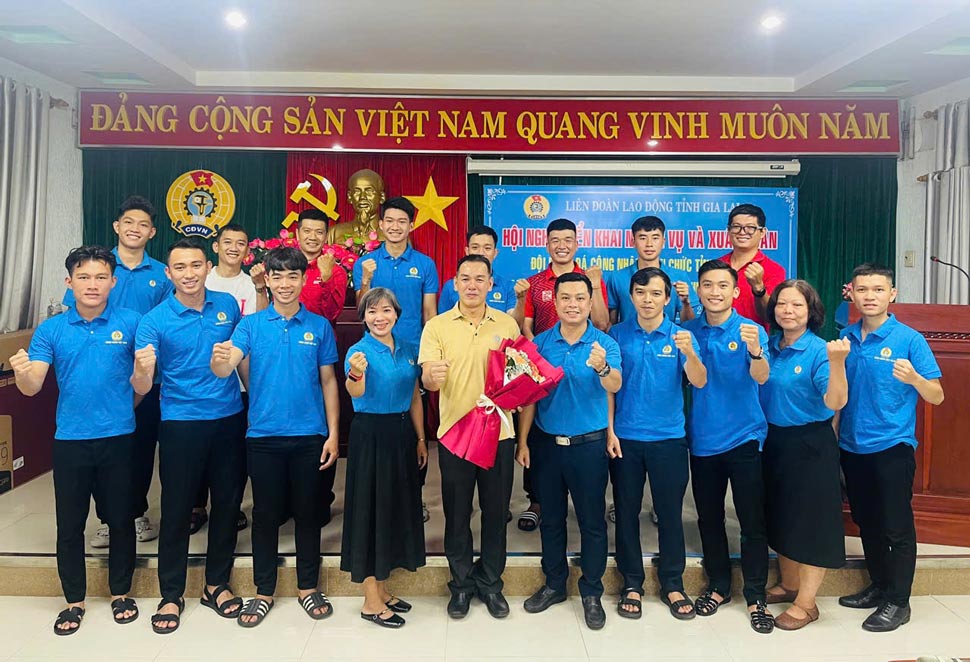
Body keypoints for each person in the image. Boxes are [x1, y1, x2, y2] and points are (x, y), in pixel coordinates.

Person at [10, 246, 140, 635]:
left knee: (121, 520)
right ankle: (73, 601)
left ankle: (121, 593)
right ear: (69, 282)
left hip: (119, 437)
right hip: (70, 440)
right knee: (70, 525)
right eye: (83, 277)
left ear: (113, 281)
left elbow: (143, 384)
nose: (92, 284)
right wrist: (21, 373)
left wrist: (126, 399)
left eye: (100, 277)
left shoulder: (131, 322)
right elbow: (32, 386)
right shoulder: (52, 330)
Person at [210, 247, 341, 628]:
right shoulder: (250, 326)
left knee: (308, 515)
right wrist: (219, 360)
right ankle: (263, 591)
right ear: (267, 279)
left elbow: (329, 381)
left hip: (310, 435)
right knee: (265, 516)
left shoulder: (319, 326)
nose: (285, 284)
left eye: (292, 276)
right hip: (263, 436)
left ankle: (307, 587)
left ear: (303, 280)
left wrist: (333, 434)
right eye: (277, 276)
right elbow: (226, 366)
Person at [133, 238, 246, 634]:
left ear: (207, 267)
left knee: (227, 506)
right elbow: (142, 384)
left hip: (229, 418)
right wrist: (141, 370)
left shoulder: (227, 306)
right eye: (179, 267)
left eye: (196, 265)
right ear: (168, 273)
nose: (189, 274)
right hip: (180, 423)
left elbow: (240, 359)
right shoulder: (154, 321)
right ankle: (171, 593)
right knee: (177, 509)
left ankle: (216, 585)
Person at [837, 263, 944, 633]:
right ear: (852, 293)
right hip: (852, 445)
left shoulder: (909, 339)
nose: (870, 296)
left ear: (892, 294)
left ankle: (899, 602)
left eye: (878, 289)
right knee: (866, 521)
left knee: (896, 526)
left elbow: (937, 395)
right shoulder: (845, 337)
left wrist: (914, 378)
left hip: (892, 446)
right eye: (863, 289)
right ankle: (879, 586)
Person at [64, 196, 170, 549]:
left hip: (147, 380)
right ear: (116, 226)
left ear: (152, 232)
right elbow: (72, 318)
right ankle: (108, 519)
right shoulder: (94, 266)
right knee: (99, 451)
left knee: (140, 450)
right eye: (128, 222)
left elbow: (165, 324)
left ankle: (136, 513)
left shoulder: (161, 274)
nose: (134, 229)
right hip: (100, 378)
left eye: (143, 224)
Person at [517, 272, 621, 630]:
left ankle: (591, 591)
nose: (573, 305)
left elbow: (615, 384)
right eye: (566, 298)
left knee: (592, 522)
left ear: (590, 302)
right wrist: (523, 441)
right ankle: (554, 584)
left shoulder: (604, 343)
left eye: (580, 298)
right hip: (547, 445)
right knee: (551, 519)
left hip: (589, 446)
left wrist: (602, 367)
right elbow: (530, 396)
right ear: (555, 302)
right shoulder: (541, 344)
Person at [419, 254, 519, 620]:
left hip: (499, 434)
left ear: (491, 283)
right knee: (457, 514)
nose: (472, 285)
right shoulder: (437, 326)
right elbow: (427, 380)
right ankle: (461, 585)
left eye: (480, 278)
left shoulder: (508, 324)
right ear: (455, 284)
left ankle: (491, 583)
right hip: (455, 435)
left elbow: (519, 378)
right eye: (465, 278)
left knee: (496, 513)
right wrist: (432, 377)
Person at [681, 259, 775, 634]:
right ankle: (718, 586)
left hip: (745, 437)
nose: (715, 292)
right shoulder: (688, 331)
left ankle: (756, 595)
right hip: (704, 439)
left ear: (736, 292)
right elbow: (692, 381)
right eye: (707, 285)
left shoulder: (752, 330)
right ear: (699, 290)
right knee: (709, 518)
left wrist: (755, 351)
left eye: (723, 285)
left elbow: (762, 377)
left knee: (752, 521)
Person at [607, 267, 706, 621]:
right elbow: (609, 389)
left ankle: (673, 582)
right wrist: (610, 431)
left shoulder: (681, 335)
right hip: (626, 439)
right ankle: (632, 582)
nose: (647, 300)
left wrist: (690, 354)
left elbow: (699, 381)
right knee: (626, 512)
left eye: (655, 293)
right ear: (631, 296)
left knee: (669, 514)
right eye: (640, 293)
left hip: (669, 439)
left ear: (667, 298)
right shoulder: (616, 334)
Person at [759, 279, 849, 630]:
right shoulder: (769, 346)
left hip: (810, 444)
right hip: (774, 441)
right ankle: (789, 583)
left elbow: (836, 401)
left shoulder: (820, 351)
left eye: (797, 305)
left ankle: (807, 604)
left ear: (811, 312)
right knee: (783, 515)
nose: (788, 311)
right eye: (782, 304)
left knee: (811, 524)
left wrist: (837, 364)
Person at [341, 287, 427, 629]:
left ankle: (383, 588)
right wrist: (355, 373)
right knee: (370, 513)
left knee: (392, 510)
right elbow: (355, 390)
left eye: (386, 310)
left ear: (396, 314)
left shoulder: (408, 349)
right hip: (371, 436)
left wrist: (420, 439)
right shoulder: (358, 352)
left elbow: (415, 396)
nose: (380, 317)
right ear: (363, 317)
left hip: (403, 434)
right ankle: (370, 601)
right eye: (372, 311)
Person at [517, 218, 609, 533]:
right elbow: (525, 327)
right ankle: (537, 501)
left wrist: (594, 286)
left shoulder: (589, 279)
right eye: (555, 240)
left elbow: (602, 323)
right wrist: (538, 359)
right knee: (540, 434)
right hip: (544, 362)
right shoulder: (534, 283)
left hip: (582, 361)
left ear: (576, 244)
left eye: (568, 239)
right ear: (546, 245)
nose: (561, 245)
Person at [192, 222, 267, 535]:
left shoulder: (251, 284)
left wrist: (261, 289)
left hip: (240, 381)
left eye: (241, 243)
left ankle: (231, 506)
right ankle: (196, 507)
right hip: (201, 381)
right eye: (228, 242)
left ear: (248, 250)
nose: (234, 248)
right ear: (216, 247)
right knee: (199, 449)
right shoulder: (202, 279)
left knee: (234, 451)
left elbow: (259, 324)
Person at [354, 197, 438, 348]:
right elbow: (361, 310)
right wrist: (365, 281)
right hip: (374, 347)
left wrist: (431, 349)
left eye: (401, 221)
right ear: (381, 224)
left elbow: (429, 313)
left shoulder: (426, 264)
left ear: (411, 226)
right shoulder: (364, 263)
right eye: (390, 221)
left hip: (414, 346)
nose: (395, 227)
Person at [607, 216, 698, 325]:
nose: (649, 244)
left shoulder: (679, 276)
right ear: (633, 242)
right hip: (627, 336)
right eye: (642, 238)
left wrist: (686, 303)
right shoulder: (617, 278)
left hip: (668, 336)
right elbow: (610, 324)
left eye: (655, 238)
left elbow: (690, 326)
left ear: (663, 242)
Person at [438, 224, 526, 327]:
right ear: (467, 251)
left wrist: (521, 300)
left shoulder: (508, 287)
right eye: (475, 247)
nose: (480, 253)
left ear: (495, 253)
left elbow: (514, 325)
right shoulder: (451, 286)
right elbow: (442, 323)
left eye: (487, 248)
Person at [719, 204, 786, 329]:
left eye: (750, 228)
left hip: (751, 337)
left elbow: (770, 316)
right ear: (728, 230)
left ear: (762, 232)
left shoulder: (774, 270)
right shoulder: (717, 266)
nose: (742, 232)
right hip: (716, 337)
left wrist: (759, 288)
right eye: (736, 227)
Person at [292, 208, 348, 323]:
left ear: (326, 237)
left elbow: (333, 314)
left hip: (321, 333)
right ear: (297, 234)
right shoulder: (285, 266)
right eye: (307, 231)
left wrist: (326, 278)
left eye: (319, 232)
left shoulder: (337, 271)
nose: (313, 237)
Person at [328, 168, 387, 245]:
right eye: (357, 191)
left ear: (382, 197)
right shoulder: (334, 233)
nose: (362, 197)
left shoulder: (391, 234)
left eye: (369, 191)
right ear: (350, 197)